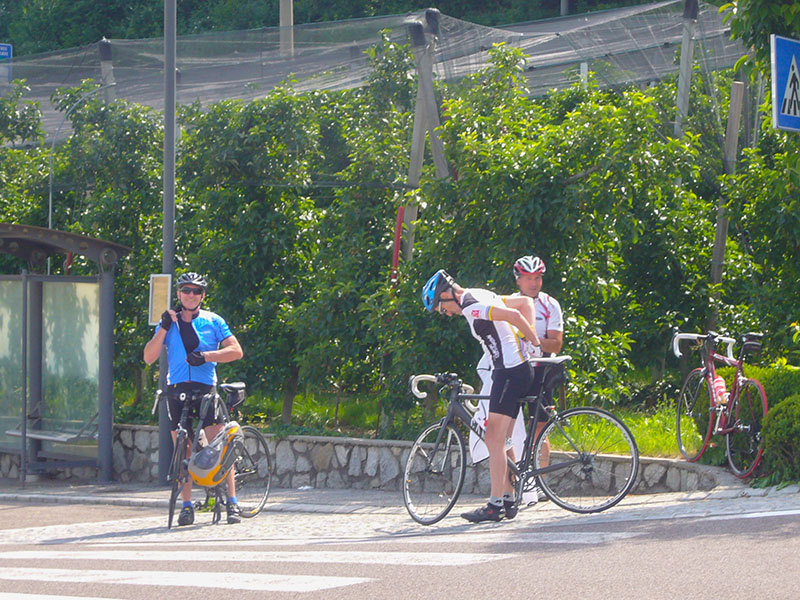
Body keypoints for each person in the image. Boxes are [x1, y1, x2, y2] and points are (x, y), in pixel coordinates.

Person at [422, 269, 541, 523]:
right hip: (514, 371)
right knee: (504, 439)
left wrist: (533, 341)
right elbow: (522, 302)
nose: (445, 314)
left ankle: (494, 505)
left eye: (441, 309)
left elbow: (515, 314)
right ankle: (509, 499)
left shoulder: (471, 306)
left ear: (446, 295)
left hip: (509, 372)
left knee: (492, 438)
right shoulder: (479, 293)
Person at [143, 271, 244, 526]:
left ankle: (232, 501)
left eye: (196, 291)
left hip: (204, 389)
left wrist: (208, 356)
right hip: (177, 391)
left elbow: (236, 351)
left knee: (219, 446)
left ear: (202, 296)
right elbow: (148, 357)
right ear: (178, 294)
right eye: (185, 290)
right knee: (182, 450)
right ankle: (187, 505)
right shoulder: (169, 323)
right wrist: (164, 327)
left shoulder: (213, 320)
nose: (190, 295)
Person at [512, 255, 564, 481]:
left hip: (542, 369)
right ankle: (513, 482)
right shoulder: (509, 302)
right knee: (509, 426)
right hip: (515, 368)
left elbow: (556, 343)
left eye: (537, 278)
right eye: (528, 278)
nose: (533, 283)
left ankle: (541, 482)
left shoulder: (550, 305)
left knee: (540, 427)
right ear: (518, 280)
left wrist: (530, 339)